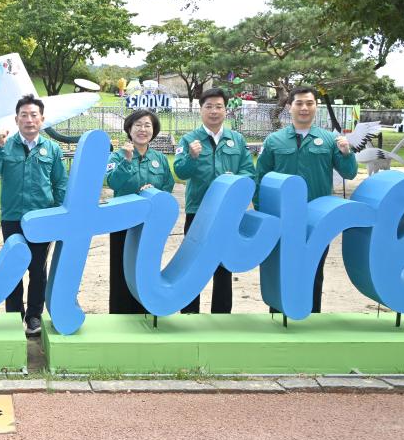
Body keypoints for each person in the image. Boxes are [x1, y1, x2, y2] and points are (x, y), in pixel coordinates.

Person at [256, 85, 358, 313]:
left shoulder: (330, 139)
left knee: (314, 269)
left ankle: (312, 317)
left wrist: (346, 153)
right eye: (299, 103)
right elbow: (260, 177)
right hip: (281, 215)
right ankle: (278, 314)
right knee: (282, 267)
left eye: (309, 103)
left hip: (316, 218)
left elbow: (349, 173)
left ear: (316, 107)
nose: (304, 108)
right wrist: (263, 211)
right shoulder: (274, 140)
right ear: (289, 107)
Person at [0, 95, 67, 335]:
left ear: (42, 119)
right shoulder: (5, 145)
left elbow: (60, 183)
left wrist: (60, 214)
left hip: (42, 219)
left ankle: (33, 317)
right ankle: (13, 316)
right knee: (13, 267)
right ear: (16, 119)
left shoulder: (52, 148)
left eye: (34, 115)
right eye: (24, 115)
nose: (29, 120)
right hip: (12, 217)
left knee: (38, 269)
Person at [173, 87, 256, 313]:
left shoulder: (236, 139)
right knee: (192, 263)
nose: (214, 111)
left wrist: (235, 180)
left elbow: (250, 172)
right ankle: (189, 313)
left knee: (223, 265)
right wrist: (191, 157)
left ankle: (222, 315)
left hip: (228, 212)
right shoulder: (190, 139)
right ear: (200, 110)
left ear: (225, 110)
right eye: (209, 106)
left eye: (219, 106)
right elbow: (180, 171)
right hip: (198, 211)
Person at [105, 109, 175, 314]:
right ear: (129, 128)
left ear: (153, 131)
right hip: (122, 222)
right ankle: (119, 312)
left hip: (149, 225)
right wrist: (127, 161)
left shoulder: (159, 158)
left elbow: (168, 186)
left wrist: (153, 192)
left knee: (145, 268)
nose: (142, 129)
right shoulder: (118, 155)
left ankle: (144, 311)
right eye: (138, 125)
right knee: (121, 268)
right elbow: (112, 182)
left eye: (147, 125)